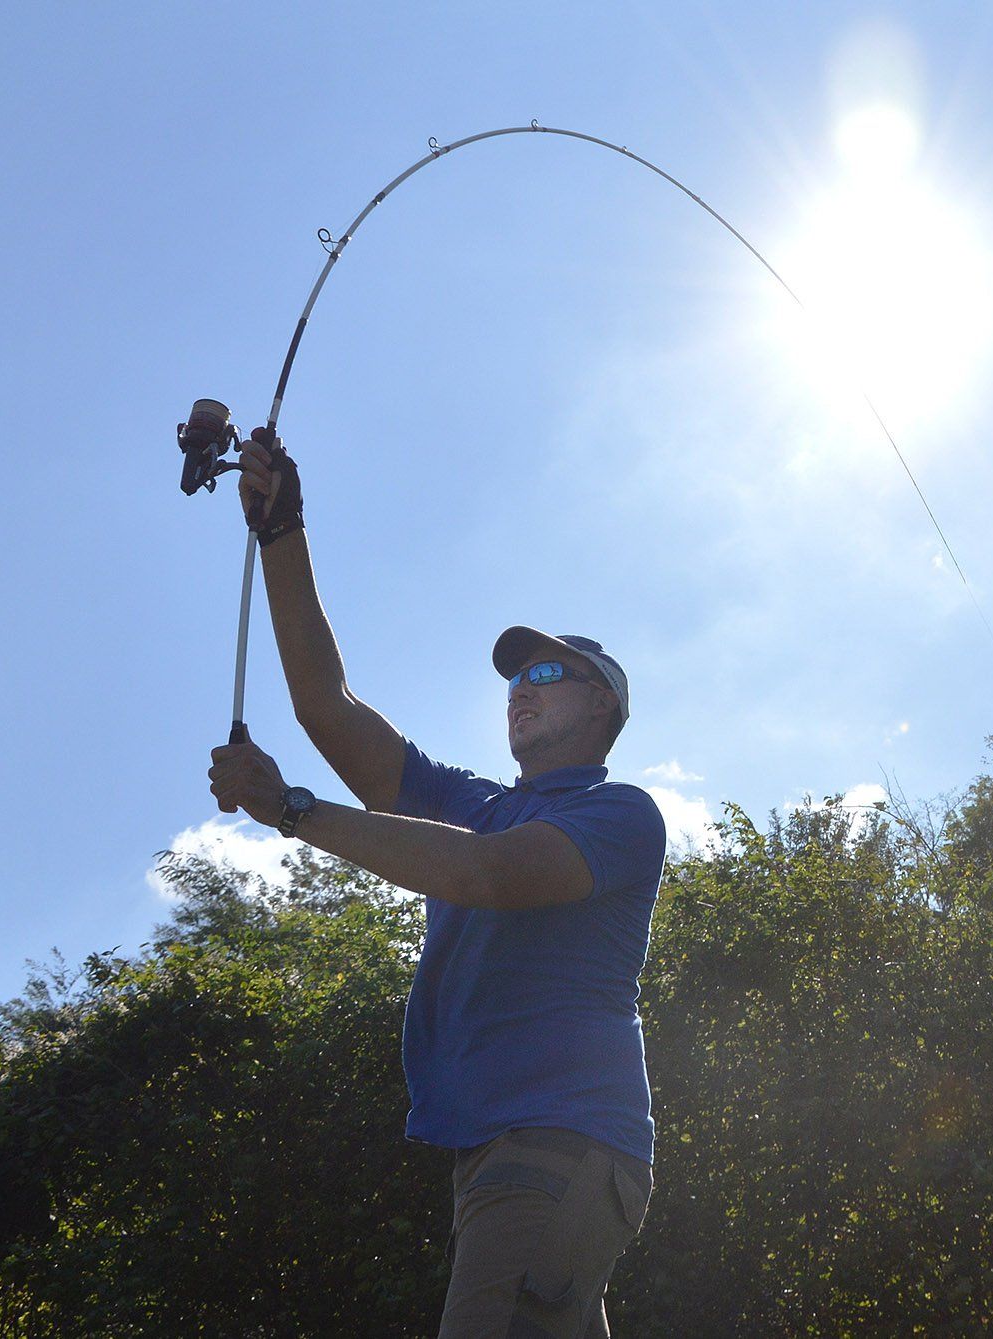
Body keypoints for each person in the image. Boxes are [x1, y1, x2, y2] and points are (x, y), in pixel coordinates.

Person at [206, 431, 666, 1338]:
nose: (518, 689)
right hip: (510, 1158)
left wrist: (294, 810)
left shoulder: (619, 816)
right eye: (511, 679)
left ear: (602, 705)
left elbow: (489, 877)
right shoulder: (478, 802)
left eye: (545, 673)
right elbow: (325, 707)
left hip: (556, 1146)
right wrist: (282, 532)